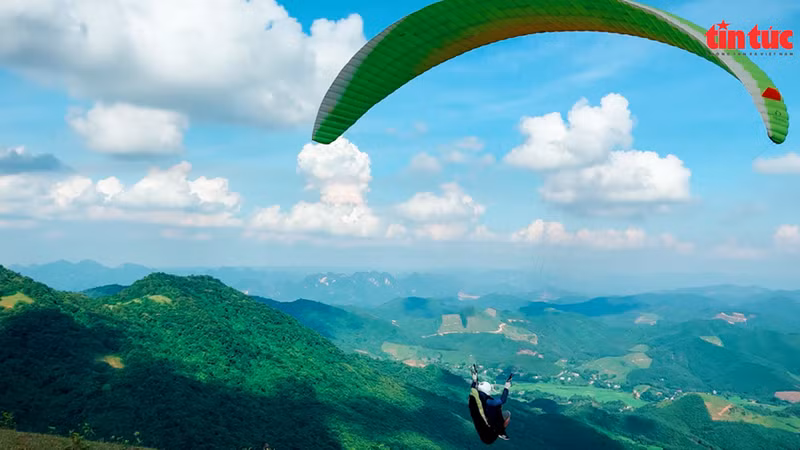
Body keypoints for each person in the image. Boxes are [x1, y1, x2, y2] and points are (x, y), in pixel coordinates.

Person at [471, 365, 512, 440]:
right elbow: (503, 400)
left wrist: (475, 378)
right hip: (488, 420)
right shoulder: (488, 402)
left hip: (480, 417)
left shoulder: (477, 395)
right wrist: (506, 388)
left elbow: (474, 386)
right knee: (508, 413)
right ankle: (501, 432)